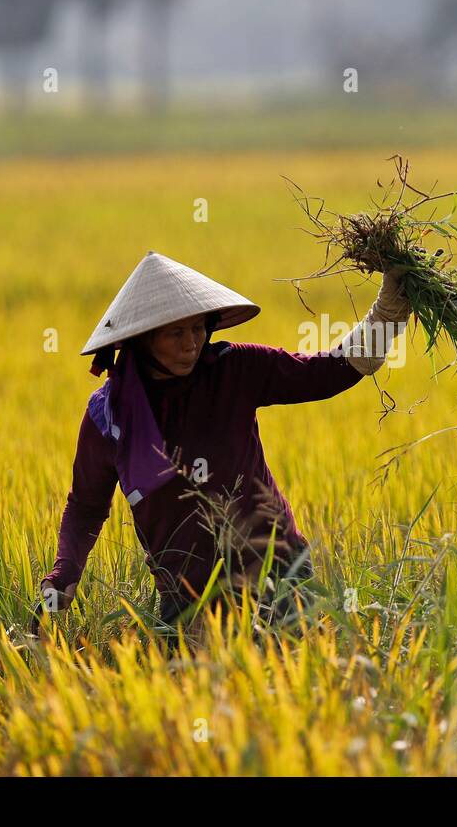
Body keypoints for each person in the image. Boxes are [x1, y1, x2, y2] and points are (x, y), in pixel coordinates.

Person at [36, 250, 410, 640]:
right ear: (142, 340)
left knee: (295, 685)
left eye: (198, 328)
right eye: (175, 333)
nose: (191, 343)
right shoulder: (109, 417)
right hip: (188, 596)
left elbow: (327, 372)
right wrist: (65, 572)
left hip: (275, 570)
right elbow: (85, 506)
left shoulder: (235, 369)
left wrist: (388, 313)